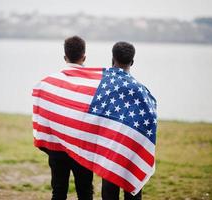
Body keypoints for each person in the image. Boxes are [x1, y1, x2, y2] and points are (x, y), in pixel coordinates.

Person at [38, 36, 93, 200]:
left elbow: (43, 115)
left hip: (57, 148)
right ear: (84, 57)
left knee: (58, 192)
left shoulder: (48, 83)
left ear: (64, 57)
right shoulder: (94, 85)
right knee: (85, 193)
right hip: (83, 149)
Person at [101, 41, 143, 200]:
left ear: (112, 59)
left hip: (110, 151)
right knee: (133, 195)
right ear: (132, 62)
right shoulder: (141, 91)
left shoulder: (103, 87)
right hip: (132, 153)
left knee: (109, 195)